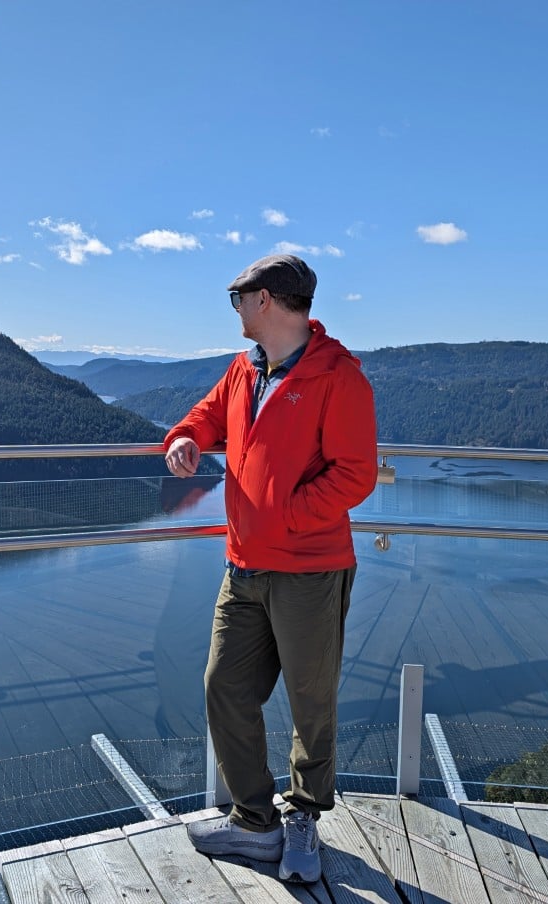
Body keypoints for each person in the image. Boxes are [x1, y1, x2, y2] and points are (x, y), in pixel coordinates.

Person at [163, 253, 378, 884]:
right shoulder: (244, 369)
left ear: (266, 301)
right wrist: (186, 436)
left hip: (310, 570)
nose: (234, 308)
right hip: (243, 567)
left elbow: (355, 474)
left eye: (237, 296)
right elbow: (208, 413)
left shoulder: (338, 377)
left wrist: (286, 516)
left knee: (311, 701)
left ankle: (304, 815)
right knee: (223, 686)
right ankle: (253, 822)